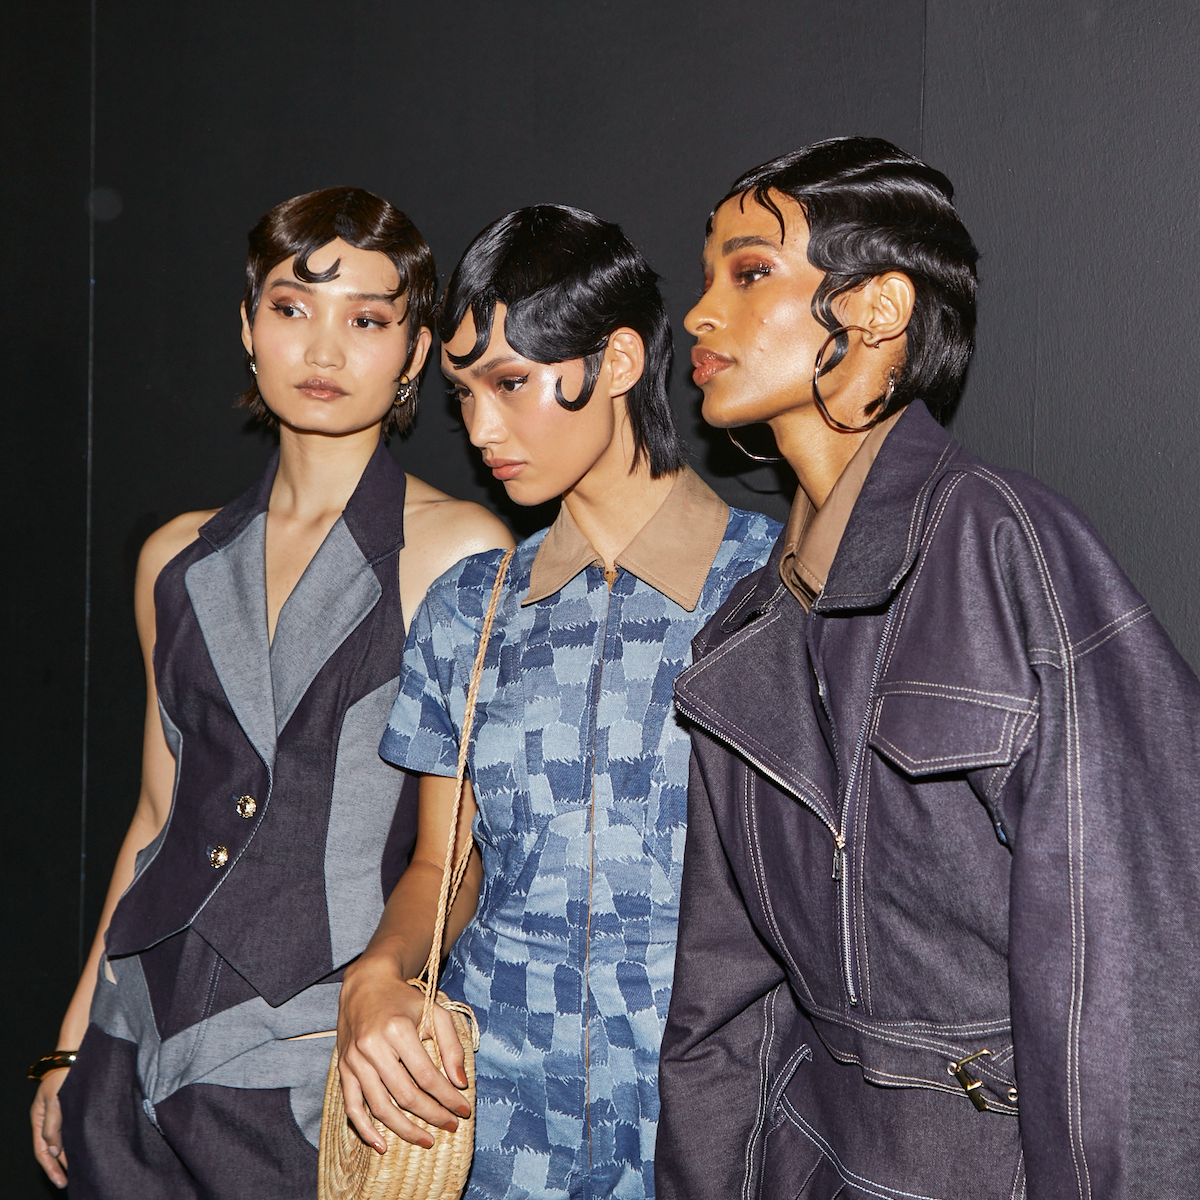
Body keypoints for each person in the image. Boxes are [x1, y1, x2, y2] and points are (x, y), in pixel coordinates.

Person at [653, 135, 1200, 1200]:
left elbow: (1133, 964)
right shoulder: (742, 630)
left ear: (877, 308)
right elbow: (721, 1007)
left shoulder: (1006, 551)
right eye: (707, 276)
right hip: (809, 1163)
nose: (701, 314)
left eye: (750, 272)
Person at [29, 186, 512, 1197]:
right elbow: (156, 815)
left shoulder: (457, 551)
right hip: (132, 1031)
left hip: (311, 1055)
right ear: (248, 328)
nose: (324, 349)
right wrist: (70, 1044)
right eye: (293, 308)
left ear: (415, 353)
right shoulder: (175, 557)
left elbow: (457, 852)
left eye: (367, 320)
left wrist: (384, 983)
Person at [335, 204, 781, 1200]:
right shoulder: (471, 608)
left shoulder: (775, 593)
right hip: (493, 1130)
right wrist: (379, 974)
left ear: (617, 361)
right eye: (463, 394)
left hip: (715, 1126)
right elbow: (442, 864)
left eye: (510, 383)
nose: (481, 429)